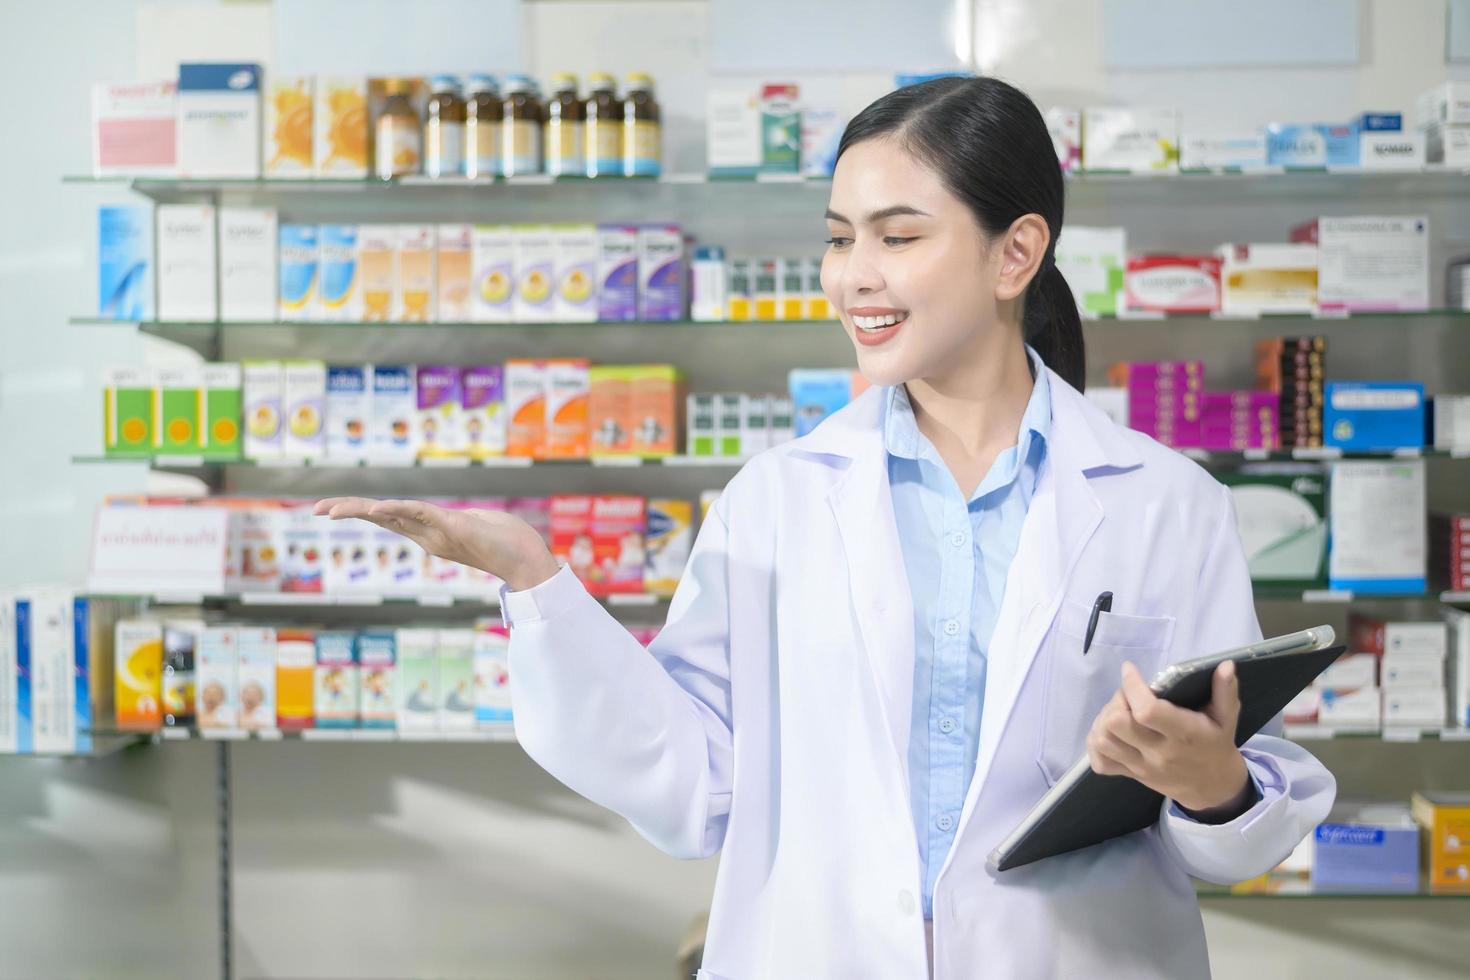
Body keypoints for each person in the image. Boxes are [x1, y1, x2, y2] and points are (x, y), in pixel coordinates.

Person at [315, 76, 1334, 980]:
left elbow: (1244, 823)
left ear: (1016, 251)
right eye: (841, 236)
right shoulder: (779, 497)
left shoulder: (1163, 500)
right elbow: (695, 778)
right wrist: (537, 580)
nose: (853, 275)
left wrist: (1212, 784)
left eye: (898, 236)